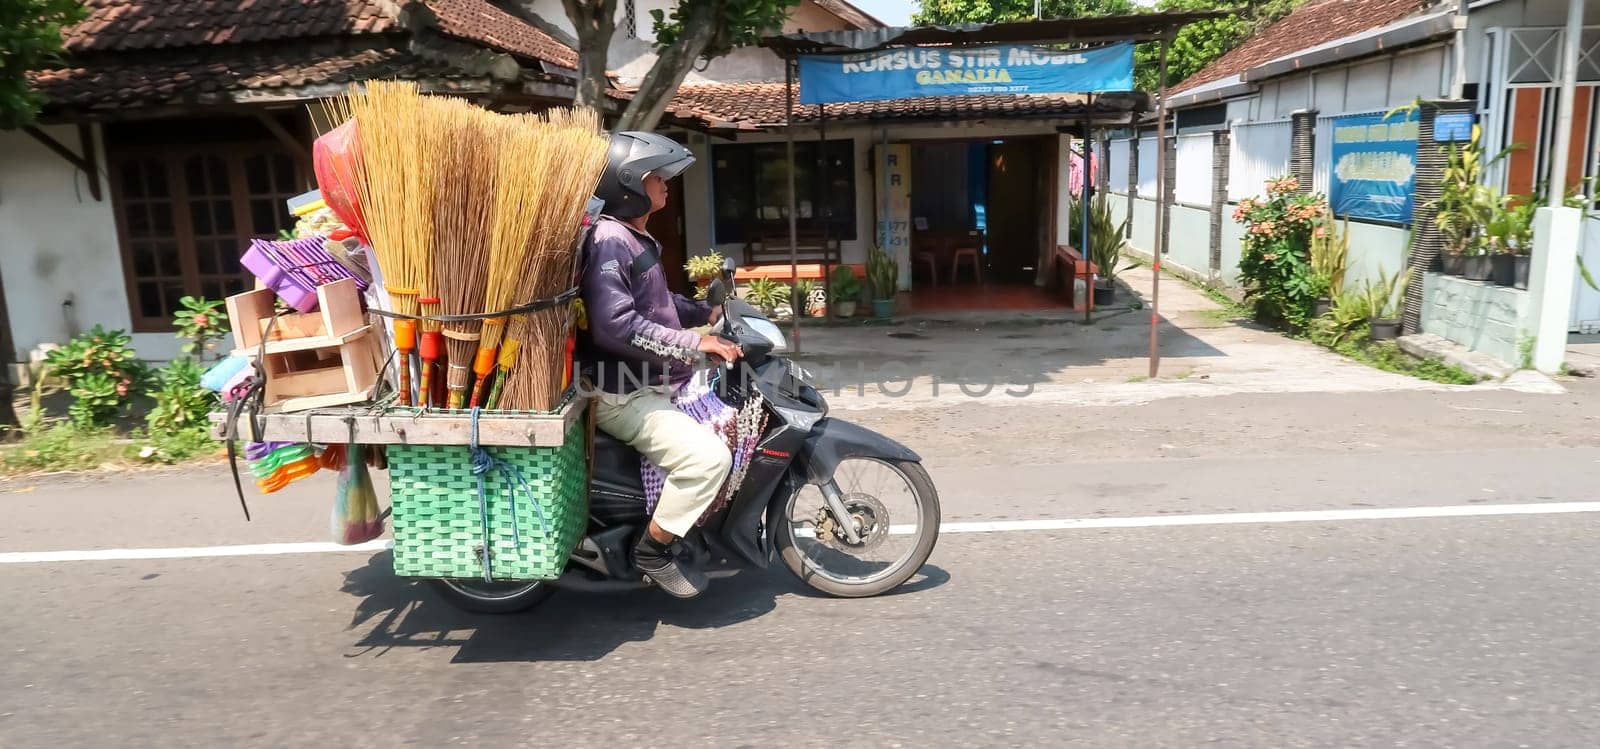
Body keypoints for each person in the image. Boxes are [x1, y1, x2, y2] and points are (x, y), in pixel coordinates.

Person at [578, 131, 742, 598]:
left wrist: (704, 315)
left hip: (650, 381)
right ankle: (654, 548)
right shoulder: (610, 239)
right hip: (624, 392)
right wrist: (695, 344)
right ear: (628, 184)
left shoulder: (633, 235)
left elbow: (656, 302)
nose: (666, 184)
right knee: (708, 460)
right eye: (656, 177)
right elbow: (618, 325)